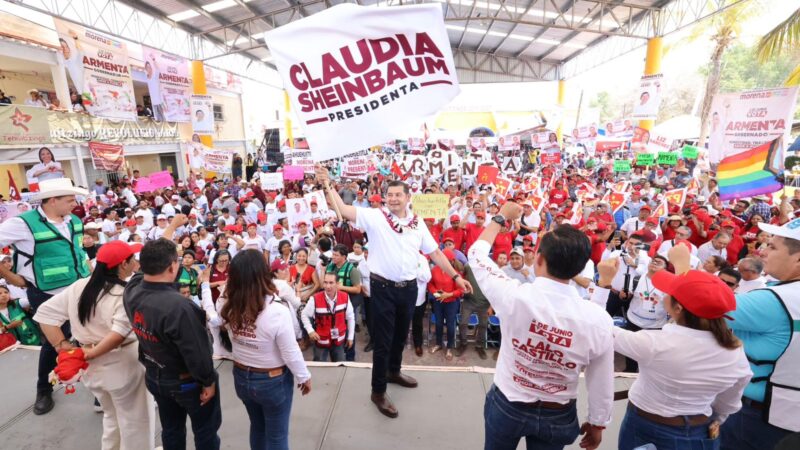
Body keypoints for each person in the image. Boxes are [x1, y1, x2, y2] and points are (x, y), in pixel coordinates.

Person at [316, 165, 471, 418]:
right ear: (385, 197)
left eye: (399, 195)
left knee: (401, 336)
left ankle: (394, 372)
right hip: (383, 288)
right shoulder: (375, 217)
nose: (394, 198)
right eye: (390, 195)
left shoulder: (418, 223)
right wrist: (327, 184)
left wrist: (456, 276)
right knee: (384, 341)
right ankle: (378, 391)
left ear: (408, 198)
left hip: (409, 289)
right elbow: (342, 209)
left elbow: (435, 253)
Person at [468, 203, 613, 450]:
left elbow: (477, 255)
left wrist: (502, 217)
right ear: (579, 268)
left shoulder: (513, 295)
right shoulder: (597, 320)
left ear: (538, 259)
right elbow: (601, 379)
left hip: (508, 405)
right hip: (558, 413)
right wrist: (598, 423)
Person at [592, 255, 751, 450]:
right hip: (700, 430)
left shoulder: (655, 343)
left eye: (669, 292)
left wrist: (604, 283)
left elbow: (596, 328)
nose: (664, 293)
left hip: (646, 428)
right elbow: (728, 403)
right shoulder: (734, 351)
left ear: (677, 307)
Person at [34, 240, 154, 450]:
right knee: (136, 421)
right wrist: (85, 354)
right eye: (132, 259)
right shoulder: (123, 293)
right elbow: (118, 334)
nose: (135, 262)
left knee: (111, 416)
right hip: (121, 363)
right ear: (123, 264)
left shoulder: (80, 285)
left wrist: (64, 347)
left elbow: (45, 314)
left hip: (92, 369)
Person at [0, 178, 90, 415]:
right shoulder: (22, 224)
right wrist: (10, 277)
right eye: (69, 200)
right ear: (52, 201)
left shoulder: (74, 221)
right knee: (53, 344)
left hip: (78, 289)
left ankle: (97, 389)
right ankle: (44, 389)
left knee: (87, 335)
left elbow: (78, 253)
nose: (74, 204)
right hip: (46, 295)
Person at [124, 237, 221, 450]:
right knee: (205, 432)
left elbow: (140, 274)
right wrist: (208, 381)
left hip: (155, 376)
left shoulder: (131, 290)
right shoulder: (180, 307)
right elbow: (197, 352)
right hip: (186, 383)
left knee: (171, 429)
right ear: (172, 267)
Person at [718, 217, 800, 449]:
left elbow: (696, 306)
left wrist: (681, 266)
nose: (763, 251)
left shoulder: (773, 300)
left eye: (773, 247)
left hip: (759, 420)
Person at [218, 249, 311, 450]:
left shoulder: (229, 304)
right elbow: (290, 351)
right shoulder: (276, 311)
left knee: (258, 427)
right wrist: (303, 376)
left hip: (242, 377)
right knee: (277, 437)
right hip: (272, 381)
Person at [301, 272, 355, 362]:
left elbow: (350, 317)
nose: (327, 286)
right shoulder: (314, 299)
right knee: (320, 368)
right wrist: (310, 331)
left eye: (331, 283)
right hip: (321, 340)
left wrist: (350, 337)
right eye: (325, 282)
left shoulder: (345, 297)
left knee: (340, 367)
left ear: (337, 284)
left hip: (339, 340)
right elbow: (304, 315)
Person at [326, 244, 362, 361]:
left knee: (348, 330)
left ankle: (350, 358)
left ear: (344, 257)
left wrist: (341, 288)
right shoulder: (330, 267)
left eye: (336, 255)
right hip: (332, 304)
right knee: (334, 329)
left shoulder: (353, 270)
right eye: (333, 254)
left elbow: (358, 289)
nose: (333, 257)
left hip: (348, 304)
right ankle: (336, 356)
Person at [455, 263, 489, 359]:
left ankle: (479, 346)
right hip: (469, 301)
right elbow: (462, 277)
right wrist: (463, 289)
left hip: (484, 303)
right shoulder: (468, 266)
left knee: (483, 325)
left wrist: (490, 306)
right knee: (463, 323)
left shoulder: (488, 268)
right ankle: (463, 343)